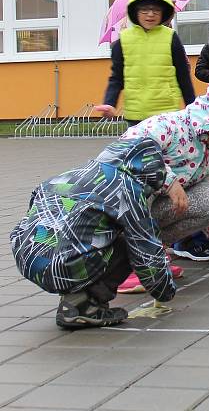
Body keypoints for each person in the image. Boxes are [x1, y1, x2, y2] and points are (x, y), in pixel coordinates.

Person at [10, 138, 177, 329]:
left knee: (79, 235)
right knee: (126, 242)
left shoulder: (68, 175)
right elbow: (146, 251)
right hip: (62, 267)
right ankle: (85, 306)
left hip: (25, 258)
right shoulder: (126, 188)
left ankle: (74, 299)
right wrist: (166, 292)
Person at [115, 82, 209, 293]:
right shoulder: (169, 126)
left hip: (146, 214)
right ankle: (124, 264)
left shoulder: (207, 152)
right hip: (119, 208)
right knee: (140, 193)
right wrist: (168, 180)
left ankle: (149, 255)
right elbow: (125, 150)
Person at [98, 0, 195, 125]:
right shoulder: (123, 41)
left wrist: (191, 106)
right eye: (144, 9)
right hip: (135, 115)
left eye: (156, 9)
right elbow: (117, 78)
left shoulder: (170, 38)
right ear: (135, 11)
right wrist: (109, 103)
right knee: (140, 149)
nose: (150, 14)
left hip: (166, 114)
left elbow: (183, 76)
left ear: (164, 12)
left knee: (163, 149)